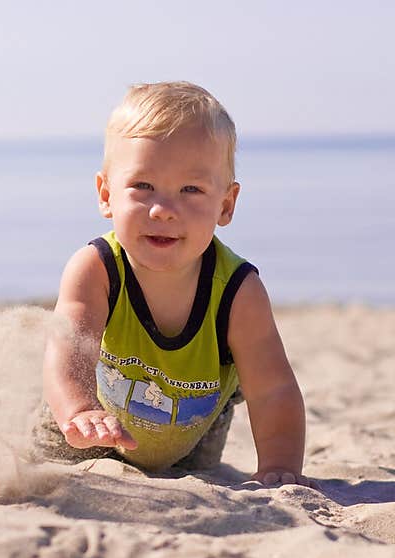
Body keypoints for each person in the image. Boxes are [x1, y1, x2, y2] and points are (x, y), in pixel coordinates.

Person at [39, 81, 309, 487]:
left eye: (191, 190)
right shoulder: (95, 268)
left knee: (198, 470)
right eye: (143, 187)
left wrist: (280, 466)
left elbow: (272, 389)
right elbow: (68, 348)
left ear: (226, 205)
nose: (163, 210)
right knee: (46, 459)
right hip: (91, 420)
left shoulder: (238, 291)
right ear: (106, 194)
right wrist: (78, 410)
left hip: (194, 434)